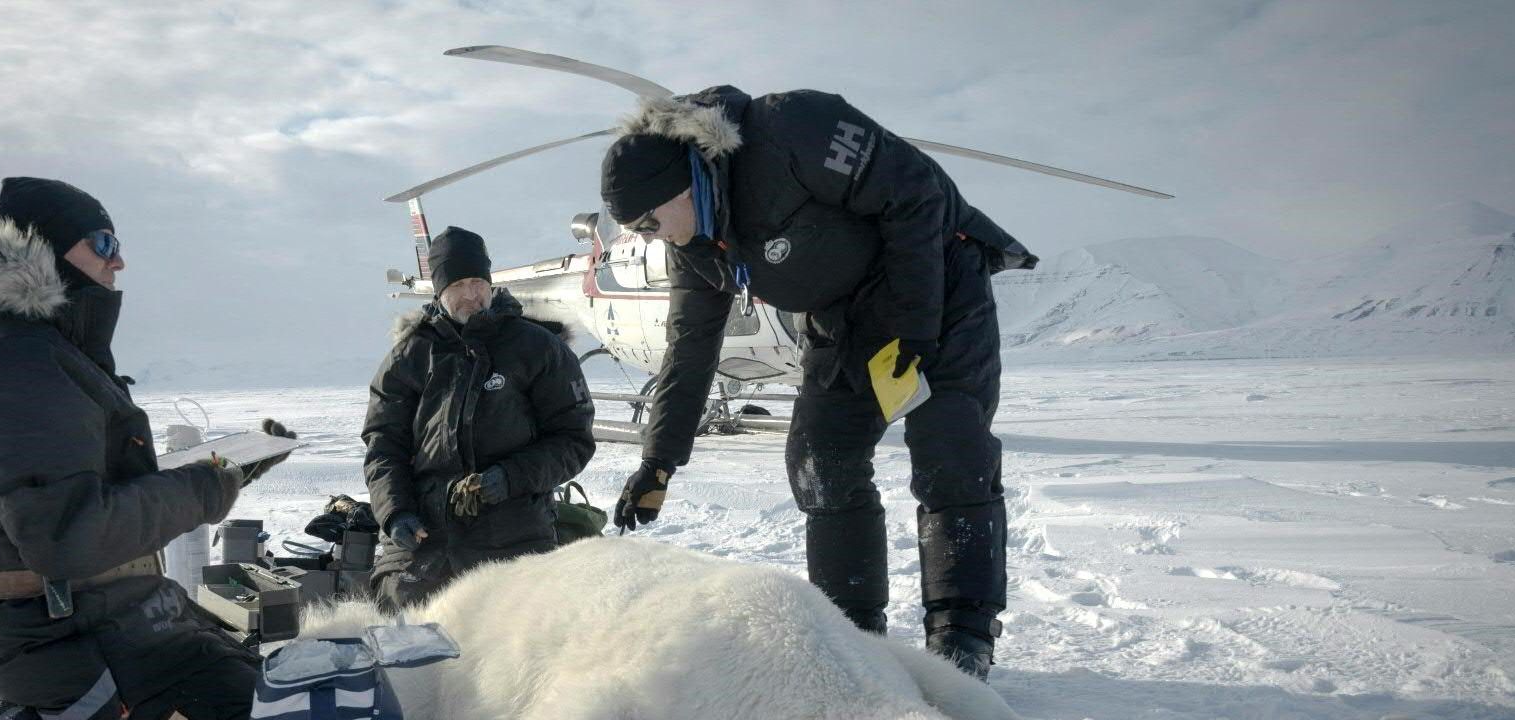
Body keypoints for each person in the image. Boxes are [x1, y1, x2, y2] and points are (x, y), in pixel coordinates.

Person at [598, 87, 1037, 680]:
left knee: (950, 452)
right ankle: (852, 631)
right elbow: (690, 349)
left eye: (650, 222)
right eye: (637, 230)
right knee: (818, 458)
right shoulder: (697, 247)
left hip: (938, 287)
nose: (652, 237)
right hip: (841, 320)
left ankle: (962, 633)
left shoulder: (792, 129)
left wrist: (912, 329)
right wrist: (659, 462)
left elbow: (915, 194)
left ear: (685, 183)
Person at [0, 177, 288, 720]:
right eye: (102, 242)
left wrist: (225, 468)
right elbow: (70, 537)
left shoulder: (28, 351)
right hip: (64, 639)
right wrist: (209, 486)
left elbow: (78, 497)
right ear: (42, 252)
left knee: (287, 695)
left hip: (114, 617)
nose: (118, 260)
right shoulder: (7, 359)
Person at [363, 226, 596, 612]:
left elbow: (573, 440)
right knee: (400, 628)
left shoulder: (537, 348)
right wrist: (395, 511)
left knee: (510, 637)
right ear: (440, 291)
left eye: (478, 282)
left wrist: (508, 478)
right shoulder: (410, 356)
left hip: (514, 533)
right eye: (459, 285)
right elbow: (383, 445)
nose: (472, 295)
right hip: (425, 538)